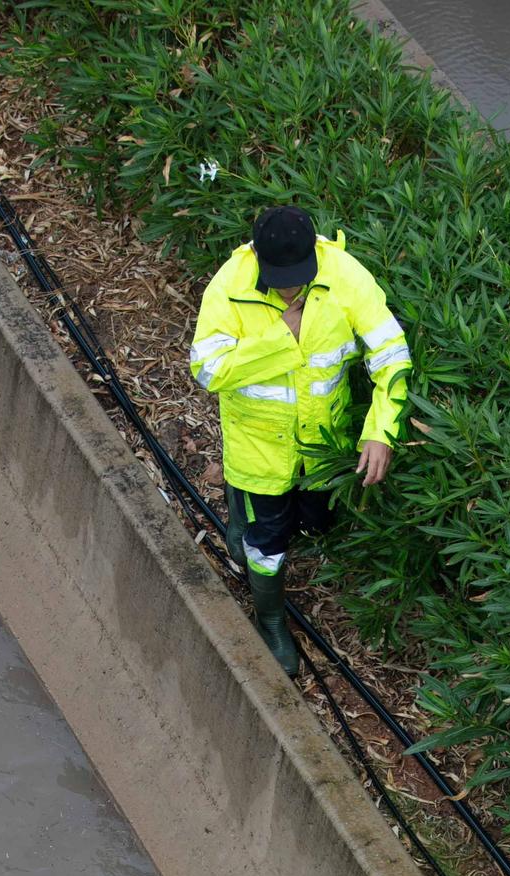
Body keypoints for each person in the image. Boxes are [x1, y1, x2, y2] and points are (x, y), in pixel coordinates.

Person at [189, 206, 411, 676]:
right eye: (279, 279)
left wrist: (380, 430)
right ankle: (269, 620)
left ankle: (240, 507)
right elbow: (207, 370)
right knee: (267, 544)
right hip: (259, 451)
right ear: (257, 258)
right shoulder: (229, 285)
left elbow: (392, 355)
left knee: (315, 523)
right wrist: (280, 337)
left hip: (322, 448)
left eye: (298, 277)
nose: (290, 288)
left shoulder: (345, 276)